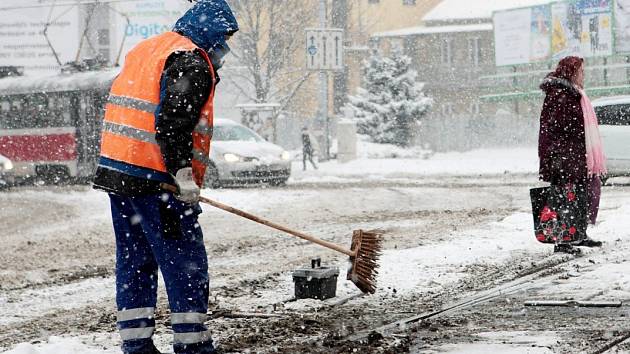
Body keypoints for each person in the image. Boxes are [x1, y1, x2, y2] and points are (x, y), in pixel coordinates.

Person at [92, 1, 238, 353]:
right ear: (209, 32)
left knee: (135, 259)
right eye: (224, 37)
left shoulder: (148, 49)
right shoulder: (191, 60)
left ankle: (136, 344)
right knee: (184, 260)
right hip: (157, 181)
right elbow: (173, 122)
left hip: (118, 173)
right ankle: (192, 345)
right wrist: (182, 174)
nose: (225, 49)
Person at [539, 56, 607, 253]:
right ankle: (563, 241)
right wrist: (559, 155)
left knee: (581, 195)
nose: (583, 75)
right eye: (580, 72)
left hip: (575, 154)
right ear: (571, 72)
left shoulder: (574, 94)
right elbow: (554, 128)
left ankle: (578, 234)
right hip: (564, 156)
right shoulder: (560, 94)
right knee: (564, 197)